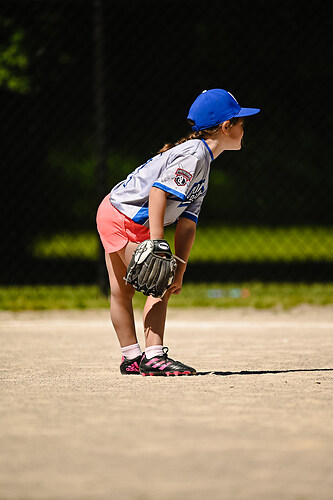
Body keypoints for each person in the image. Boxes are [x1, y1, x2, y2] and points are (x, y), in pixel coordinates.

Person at [96, 88, 260, 377]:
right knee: (156, 277)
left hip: (116, 211)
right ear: (226, 127)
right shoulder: (195, 154)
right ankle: (154, 356)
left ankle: (132, 357)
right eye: (240, 123)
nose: (244, 129)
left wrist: (181, 267)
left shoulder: (204, 161)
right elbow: (159, 193)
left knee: (130, 289)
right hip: (123, 216)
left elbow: (187, 222)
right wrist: (158, 243)